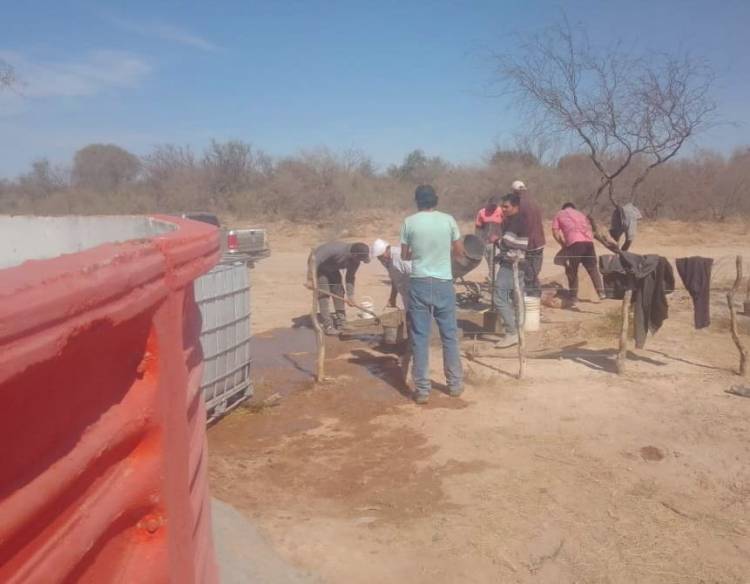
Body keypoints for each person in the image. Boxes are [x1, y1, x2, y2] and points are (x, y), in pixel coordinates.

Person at [400, 184, 464, 404]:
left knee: (420, 337)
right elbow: (459, 252)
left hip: (419, 282)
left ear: (417, 201)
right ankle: (455, 385)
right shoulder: (448, 220)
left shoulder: (409, 222)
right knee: (449, 335)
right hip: (443, 283)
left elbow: (405, 255)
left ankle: (423, 390)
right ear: (435, 200)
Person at [308, 241, 371, 335]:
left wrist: (350, 296)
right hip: (319, 268)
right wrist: (310, 279)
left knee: (339, 292)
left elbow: (350, 278)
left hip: (333, 269)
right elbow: (314, 261)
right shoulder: (335, 250)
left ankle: (342, 322)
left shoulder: (356, 261)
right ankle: (328, 326)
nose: (359, 262)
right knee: (324, 295)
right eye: (359, 259)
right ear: (354, 255)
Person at [493, 193, 529, 348]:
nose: (503, 209)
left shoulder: (516, 220)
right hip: (519, 262)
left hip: (511, 263)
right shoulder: (517, 219)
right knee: (517, 297)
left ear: (515, 207)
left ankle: (511, 332)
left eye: (506, 206)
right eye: (502, 206)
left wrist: (496, 240)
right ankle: (519, 329)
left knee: (499, 298)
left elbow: (507, 242)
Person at [552, 202, 606, 301]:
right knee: (592, 268)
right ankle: (601, 292)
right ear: (573, 208)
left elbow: (555, 232)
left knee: (571, 269)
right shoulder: (581, 214)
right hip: (589, 242)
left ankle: (573, 296)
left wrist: (562, 244)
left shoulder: (560, 213)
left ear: (564, 208)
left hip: (575, 243)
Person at [511, 180, 545, 297]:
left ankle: (531, 300)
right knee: (534, 272)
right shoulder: (535, 202)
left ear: (515, 191)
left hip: (527, 244)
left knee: (528, 274)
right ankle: (535, 298)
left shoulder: (518, 204)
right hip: (539, 242)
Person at [372, 238, 412, 309]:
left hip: (416, 296)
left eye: (381, 256)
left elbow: (418, 276)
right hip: (407, 296)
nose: (380, 259)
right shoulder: (386, 260)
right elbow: (395, 279)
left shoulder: (400, 258)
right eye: (378, 257)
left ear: (387, 249)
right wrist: (392, 297)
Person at [474, 194, 504, 276]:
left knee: (495, 264)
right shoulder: (482, 212)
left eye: (495, 205)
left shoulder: (501, 211)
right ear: (489, 203)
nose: (493, 206)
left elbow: (505, 226)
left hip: (497, 243)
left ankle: (493, 282)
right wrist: (477, 241)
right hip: (485, 242)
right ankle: (492, 279)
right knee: (489, 262)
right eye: (492, 204)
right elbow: (478, 228)